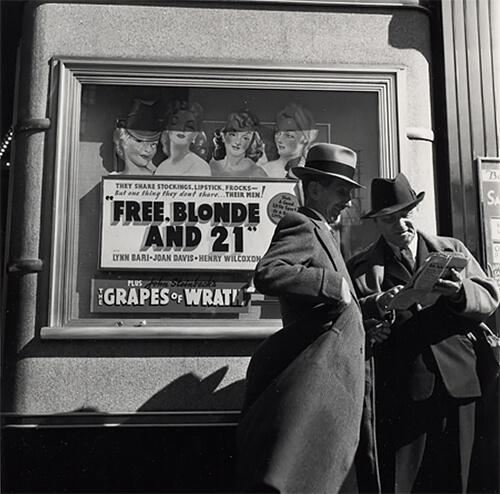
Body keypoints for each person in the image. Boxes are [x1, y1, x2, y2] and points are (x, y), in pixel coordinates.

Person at [236, 143, 381, 493]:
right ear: (314, 189)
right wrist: (333, 285)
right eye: (341, 191)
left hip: (335, 387)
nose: (348, 200)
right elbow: (268, 273)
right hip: (318, 387)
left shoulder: (326, 232)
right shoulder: (301, 224)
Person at [347, 173, 500, 494]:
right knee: (404, 480)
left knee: (460, 476)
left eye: (405, 214)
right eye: (389, 218)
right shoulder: (361, 267)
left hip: (460, 382)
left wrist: (459, 292)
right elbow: (349, 318)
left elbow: (489, 297)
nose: (400, 223)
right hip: (401, 392)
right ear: (377, 222)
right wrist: (372, 325)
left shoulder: (450, 249)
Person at [154, 99, 211, 177]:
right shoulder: (162, 167)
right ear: (167, 128)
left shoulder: (201, 167)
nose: (181, 129)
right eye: (175, 123)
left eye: (189, 126)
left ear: (195, 134)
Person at [262, 102, 319, 179]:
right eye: (278, 133)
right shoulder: (264, 170)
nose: (279, 140)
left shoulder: (314, 171)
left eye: (288, 135)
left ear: (305, 138)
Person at [209, 109, 268, 178]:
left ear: (251, 142)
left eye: (245, 138)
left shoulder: (258, 173)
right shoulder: (211, 168)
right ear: (223, 136)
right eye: (233, 135)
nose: (238, 142)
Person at [112, 99, 161, 175]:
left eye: (153, 144)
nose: (148, 150)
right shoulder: (114, 180)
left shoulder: (160, 177)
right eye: (139, 141)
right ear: (124, 141)